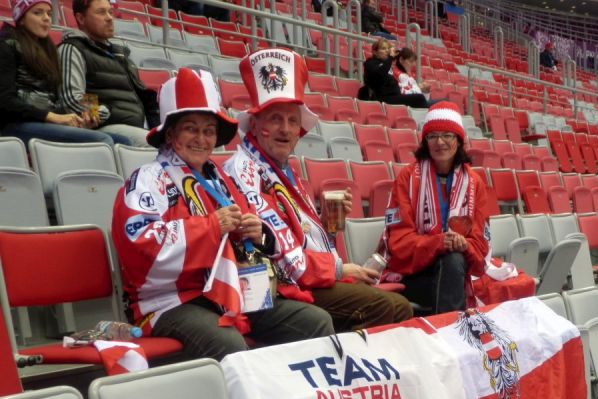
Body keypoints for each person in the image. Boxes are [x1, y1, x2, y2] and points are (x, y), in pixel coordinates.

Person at [112, 68, 334, 362]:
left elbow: (251, 230)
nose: (201, 139)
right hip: (168, 301)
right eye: (191, 128)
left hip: (232, 291)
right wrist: (212, 227)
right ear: (170, 134)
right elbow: (141, 246)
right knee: (227, 342)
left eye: (209, 131)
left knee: (314, 321)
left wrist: (257, 232)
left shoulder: (220, 179)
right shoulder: (146, 179)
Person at [225, 49, 412, 332]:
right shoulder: (245, 170)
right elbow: (277, 247)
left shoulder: (285, 171)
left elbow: (298, 238)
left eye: (293, 121)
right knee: (389, 307)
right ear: (255, 124)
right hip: (279, 286)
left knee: (399, 306)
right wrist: (338, 269)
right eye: (275, 119)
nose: (286, 129)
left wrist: (327, 224)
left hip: (307, 275)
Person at [382, 102, 489, 313]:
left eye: (447, 135)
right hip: (413, 273)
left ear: (458, 140)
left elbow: (480, 245)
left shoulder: (475, 183)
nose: (440, 142)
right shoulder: (408, 178)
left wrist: (463, 245)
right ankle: (454, 327)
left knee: (454, 259)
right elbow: (399, 243)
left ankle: (448, 325)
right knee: (452, 271)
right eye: (432, 136)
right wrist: (439, 243)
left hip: (455, 268)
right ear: (425, 141)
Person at [0, 0, 129, 146]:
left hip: (47, 121)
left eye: (49, 13)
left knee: (123, 141)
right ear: (21, 18)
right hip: (17, 123)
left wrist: (92, 113)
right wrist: (52, 117)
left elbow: (66, 94)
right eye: (37, 13)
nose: (46, 18)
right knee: (102, 141)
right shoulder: (6, 46)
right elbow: (5, 101)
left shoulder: (48, 49)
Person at [58, 0, 159, 147]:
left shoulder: (119, 54)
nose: (109, 18)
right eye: (101, 12)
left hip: (136, 126)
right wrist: (104, 111)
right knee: (157, 145)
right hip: (104, 127)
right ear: (81, 18)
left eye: (110, 12)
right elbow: (73, 97)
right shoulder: (73, 48)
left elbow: (143, 97)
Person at [363, 38, 427, 108]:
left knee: (427, 101)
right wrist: (390, 57)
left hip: (394, 96)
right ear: (375, 52)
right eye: (383, 48)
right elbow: (381, 73)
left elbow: (397, 59)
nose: (387, 50)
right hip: (382, 98)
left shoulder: (386, 63)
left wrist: (397, 53)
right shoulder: (370, 63)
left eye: (388, 48)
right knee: (419, 98)